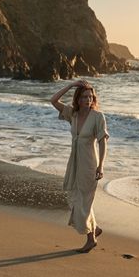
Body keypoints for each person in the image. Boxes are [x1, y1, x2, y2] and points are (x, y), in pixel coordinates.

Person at [50, 79, 109, 253]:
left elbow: (102, 143)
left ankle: (91, 239)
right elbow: (53, 100)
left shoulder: (98, 117)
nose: (87, 100)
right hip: (74, 162)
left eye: (90, 97)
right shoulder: (73, 114)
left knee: (83, 201)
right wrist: (70, 85)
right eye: (84, 96)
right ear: (78, 98)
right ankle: (94, 228)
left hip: (89, 164)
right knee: (74, 197)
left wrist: (101, 166)